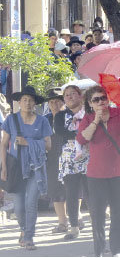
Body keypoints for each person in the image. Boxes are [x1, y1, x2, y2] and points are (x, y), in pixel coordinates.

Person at [76, 86, 120, 256]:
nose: (101, 102)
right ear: (90, 103)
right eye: (96, 99)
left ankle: (116, 250)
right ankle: (99, 251)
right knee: (97, 216)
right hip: (96, 174)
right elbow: (82, 138)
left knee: (118, 212)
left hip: (118, 171)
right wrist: (96, 120)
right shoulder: (88, 118)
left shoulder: (119, 113)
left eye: (103, 98)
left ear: (108, 99)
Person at [0, 86, 53, 250]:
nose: (28, 103)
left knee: (31, 204)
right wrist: (3, 168)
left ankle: (29, 236)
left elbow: (48, 145)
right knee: (18, 207)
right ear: (19, 102)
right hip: (15, 169)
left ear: (35, 103)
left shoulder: (42, 121)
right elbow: (3, 145)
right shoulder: (11, 120)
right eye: (25, 100)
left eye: (31, 100)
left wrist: (28, 142)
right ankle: (23, 229)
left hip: (36, 169)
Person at [55, 85, 88, 241]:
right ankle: (74, 227)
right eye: (66, 95)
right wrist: (80, 134)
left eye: (72, 94)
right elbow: (60, 131)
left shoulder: (89, 113)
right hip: (69, 159)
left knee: (92, 193)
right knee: (72, 194)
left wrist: (80, 135)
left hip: (89, 156)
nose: (69, 97)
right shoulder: (60, 116)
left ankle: (97, 225)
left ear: (80, 96)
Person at [44, 88, 69, 235]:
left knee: (72, 189)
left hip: (69, 156)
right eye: (52, 102)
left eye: (58, 101)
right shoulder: (45, 119)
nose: (54, 104)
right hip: (52, 158)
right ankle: (62, 222)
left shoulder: (69, 116)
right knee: (55, 190)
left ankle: (75, 216)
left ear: (63, 101)